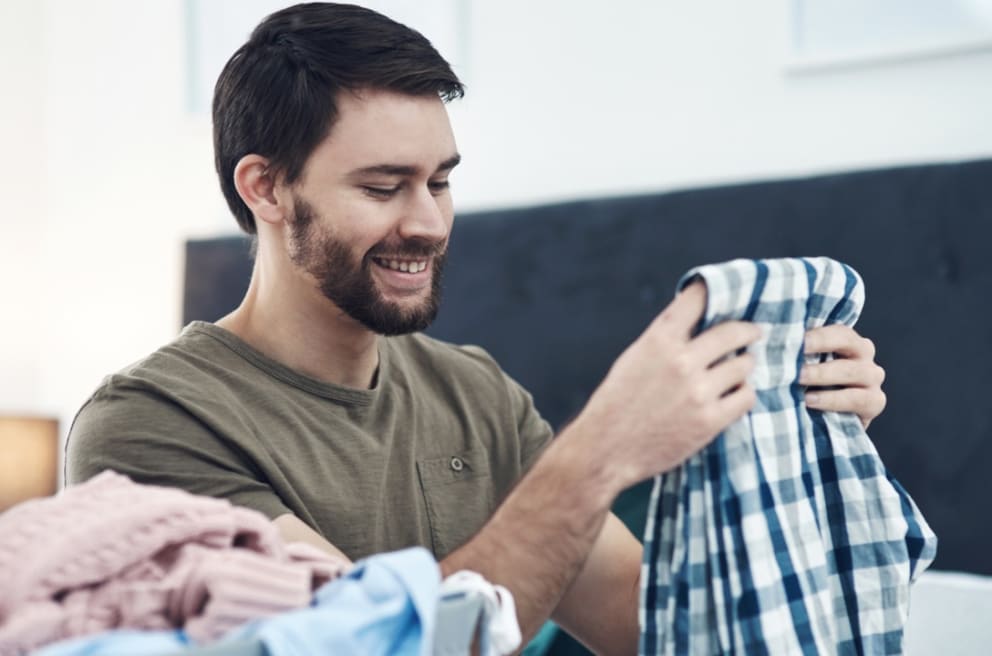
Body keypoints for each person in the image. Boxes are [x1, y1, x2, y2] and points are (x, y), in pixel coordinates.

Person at [65, 4, 886, 653]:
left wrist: (798, 448)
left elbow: (664, 632)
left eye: (441, 182)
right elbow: (368, 649)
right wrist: (598, 450)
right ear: (268, 189)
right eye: (385, 186)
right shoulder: (148, 429)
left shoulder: (473, 391)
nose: (427, 222)